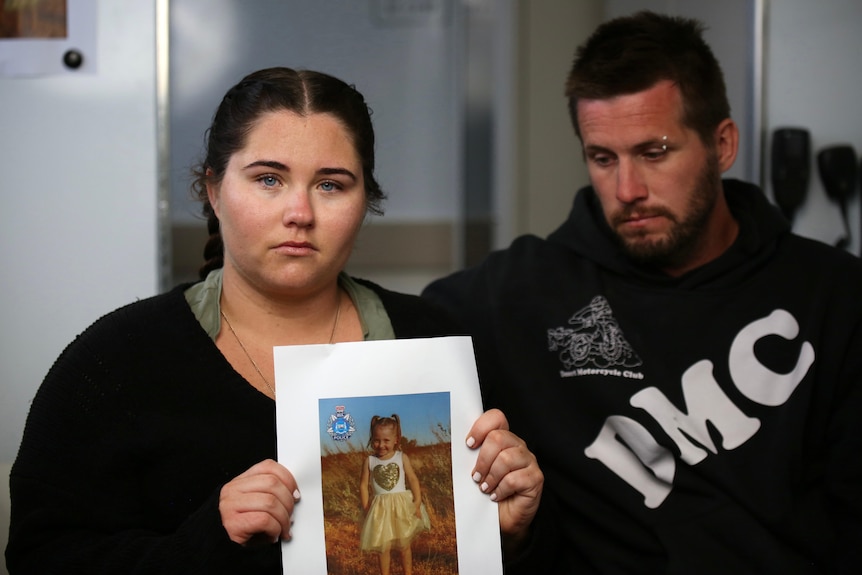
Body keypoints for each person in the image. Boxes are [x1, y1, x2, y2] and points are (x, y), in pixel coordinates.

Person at [5, 67, 543, 574]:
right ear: (214, 190)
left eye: (331, 184)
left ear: (365, 201)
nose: (300, 213)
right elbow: (40, 557)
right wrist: (208, 540)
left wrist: (508, 536)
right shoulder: (117, 360)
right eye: (268, 179)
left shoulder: (437, 344)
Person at [423, 11, 862, 574]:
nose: (627, 190)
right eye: (602, 158)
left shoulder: (835, 296)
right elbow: (371, 333)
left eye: (654, 153)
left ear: (722, 144)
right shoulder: (521, 293)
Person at [359, 414, 430, 575]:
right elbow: (363, 485)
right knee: (383, 547)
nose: (381, 445)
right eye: (377, 440)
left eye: (386, 440)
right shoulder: (369, 461)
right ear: (372, 438)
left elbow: (412, 479)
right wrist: (366, 507)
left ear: (396, 439)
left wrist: (417, 502)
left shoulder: (401, 457)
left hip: (401, 507)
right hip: (380, 510)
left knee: (405, 545)